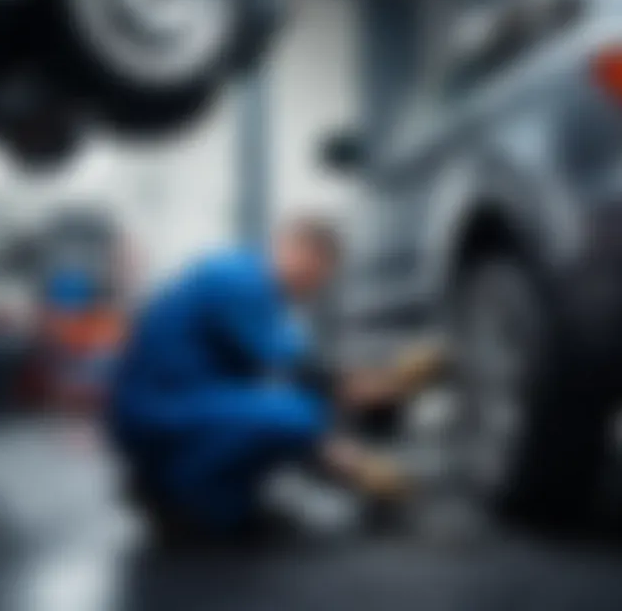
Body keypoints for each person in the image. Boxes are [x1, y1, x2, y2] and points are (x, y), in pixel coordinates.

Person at [108, 217, 443, 542]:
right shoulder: (240, 280)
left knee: (231, 516)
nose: (316, 287)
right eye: (320, 274)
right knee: (296, 415)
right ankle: (175, 492)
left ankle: (201, 504)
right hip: (161, 414)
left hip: (171, 411)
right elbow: (308, 375)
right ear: (304, 253)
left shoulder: (242, 277)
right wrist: (366, 461)